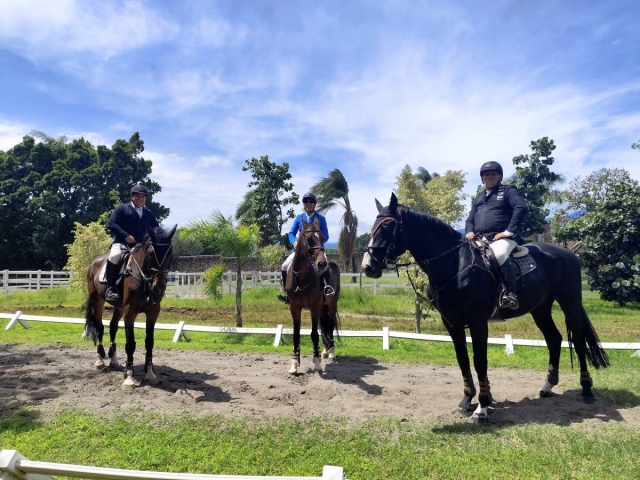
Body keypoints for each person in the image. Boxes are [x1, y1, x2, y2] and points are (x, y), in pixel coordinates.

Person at [465, 161, 527, 309]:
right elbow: (470, 218)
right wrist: (469, 231)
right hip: (480, 239)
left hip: (503, 238)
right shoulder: (479, 198)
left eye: (493, 173)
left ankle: (511, 294)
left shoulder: (508, 190)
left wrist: (508, 232)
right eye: (486, 174)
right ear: (482, 179)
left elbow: (521, 207)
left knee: (498, 254)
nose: (489, 176)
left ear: (499, 176)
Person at [104, 184, 160, 304]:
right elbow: (111, 224)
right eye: (138, 196)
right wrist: (126, 235)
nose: (141, 199)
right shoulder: (122, 208)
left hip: (140, 245)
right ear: (132, 196)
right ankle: (111, 288)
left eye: (143, 197)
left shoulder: (147, 213)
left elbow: (156, 227)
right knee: (114, 256)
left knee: (152, 260)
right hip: (122, 243)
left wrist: (160, 236)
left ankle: (151, 289)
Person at [277, 192, 334, 304]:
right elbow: (291, 233)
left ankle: (326, 289)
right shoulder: (299, 218)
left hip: (317, 251)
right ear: (303, 204)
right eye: (306, 202)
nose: (309, 203)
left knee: (325, 265)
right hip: (300, 250)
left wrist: (318, 243)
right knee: (284, 266)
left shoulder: (321, 219)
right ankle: (287, 292)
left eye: (311, 202)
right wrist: (294, 242)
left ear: (315, 204)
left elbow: (326, 235)